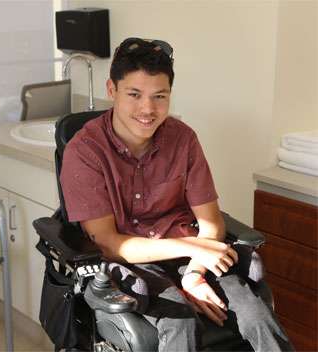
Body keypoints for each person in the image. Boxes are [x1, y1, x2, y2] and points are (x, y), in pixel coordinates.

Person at [60, 37, 294, 352]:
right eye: (134, 94)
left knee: (256, 314)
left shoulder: (182, 139)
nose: (148, 109)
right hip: (133, 262)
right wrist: (193, 247)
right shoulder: (85, 150)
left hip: (192, 256)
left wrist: (195, 271)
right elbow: (107, 242)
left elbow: (210, 222)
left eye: (160, 96)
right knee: (179, 320)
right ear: (112, 90)